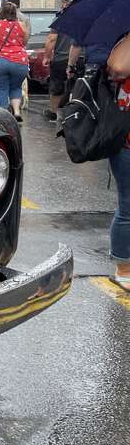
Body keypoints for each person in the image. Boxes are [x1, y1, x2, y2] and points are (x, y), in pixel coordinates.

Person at [104, 33, 130, 290]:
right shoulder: (123, 43)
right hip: (127, 141)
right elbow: (119, 67)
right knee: (128, 206)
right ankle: (123, 268)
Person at [42, 0, 77, 121]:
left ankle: (53, 113)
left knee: (57, 85)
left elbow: (52, 38)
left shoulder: (60, 18)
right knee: (78, 85)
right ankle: (76, 112)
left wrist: (46, 56)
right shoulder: (85, 17)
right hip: (81, 57)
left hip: (61, 57)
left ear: (64, 3)